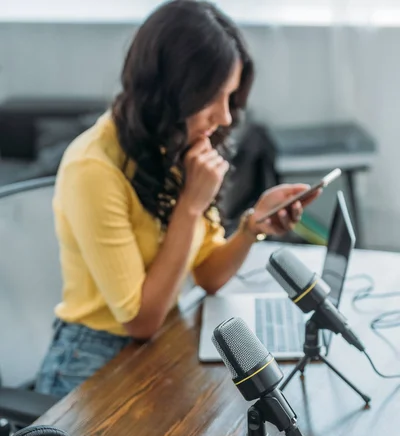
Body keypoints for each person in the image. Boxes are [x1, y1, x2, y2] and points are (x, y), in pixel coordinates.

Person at [35, 0, 317, 398]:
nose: (225, 117)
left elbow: (208, 275)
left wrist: (252, 226)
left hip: (159, 344)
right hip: (91, 361)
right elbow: (140, 320)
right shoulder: (93, 169)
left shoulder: (173, 143)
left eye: (230, 97)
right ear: (170, 94)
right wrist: (190, 205)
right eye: (212, 99)